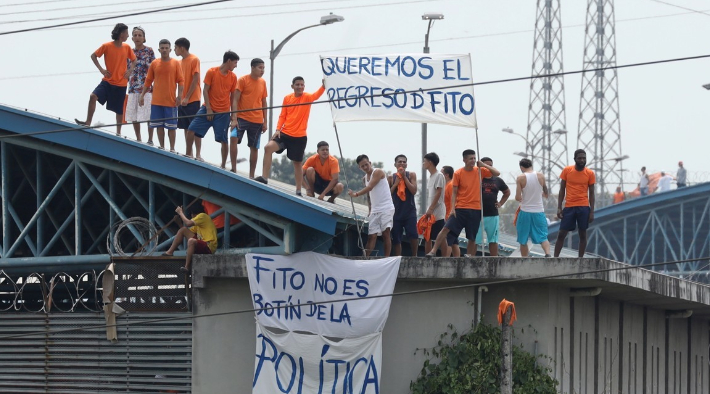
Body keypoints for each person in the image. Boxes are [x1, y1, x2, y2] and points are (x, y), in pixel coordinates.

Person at [255, 76, 325, 192]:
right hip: (285, 133)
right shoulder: (287, 98)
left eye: (302, 85)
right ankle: (264, 177)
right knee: (268, 148)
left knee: (297, 163)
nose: (300, 87)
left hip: (299, 137)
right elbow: (283, 115)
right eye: (297, 85)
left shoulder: (307, 97)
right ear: (292, 86)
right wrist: (278, 129)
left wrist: (323, 86)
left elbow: (316, 95)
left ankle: (298, 190)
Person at [426, 149, 500, 257]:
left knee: (472, 236)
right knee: (445, 229)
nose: (473, 160)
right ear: (464, 160)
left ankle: (469, 255)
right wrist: (452, 209)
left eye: (474, 158)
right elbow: (454, 192)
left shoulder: (480, 171)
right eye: (470, 158)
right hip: (460, 208)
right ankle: (433, 251)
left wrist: (483, 164)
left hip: (475, 209)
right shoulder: (458, 173)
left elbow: (497, 173)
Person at [76, 23, 137, 135]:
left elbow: (134, 60)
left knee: (119, 110)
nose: (128, 36)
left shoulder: (127, 47)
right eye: (127, 33)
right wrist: (101, 70)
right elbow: (93, 56)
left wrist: (130, 70)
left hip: (121, 83)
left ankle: (118, 133)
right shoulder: (107, 46)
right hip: (108, 81)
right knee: (93, 96)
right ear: (121, 34)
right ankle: (88, 122)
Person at [186, 51, 239, 169]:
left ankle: (224, 165)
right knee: (191, 130)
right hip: (207, 108)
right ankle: (188, 154)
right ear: (229, 61)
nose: (236, 66)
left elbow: (233, 97)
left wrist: (233, 116)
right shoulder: (212, 72)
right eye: (235, 63)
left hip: (223, 112)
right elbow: (205, 90)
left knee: (223, 139)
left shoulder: (233, 77)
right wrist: (209, 109)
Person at [139, 39, 184, 152]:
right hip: (157, 101)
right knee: (159, 126)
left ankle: (172, 148)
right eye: (162, 48)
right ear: (159, 50)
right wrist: (142, 95)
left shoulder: (175, 63)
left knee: (171, 127)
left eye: (166, 48)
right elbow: (148, 80)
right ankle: (162, 147)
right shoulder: (154, 63)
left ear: (170, 50)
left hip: (171, 101)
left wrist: (180, 96)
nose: (164, 50)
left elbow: (181, 81)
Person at [347, 155, 395, 257]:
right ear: (360, 168)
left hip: (386, 207)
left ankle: (386, 258)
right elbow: (369, 195)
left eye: (366, 164)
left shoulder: (378, 172)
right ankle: (366, 256)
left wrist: (355, 194)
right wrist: (370, 209)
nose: (365, 167)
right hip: (375, 209)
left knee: (386, 233)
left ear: (370, 163)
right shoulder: (364, 179)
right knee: (371, 236)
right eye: (362, 166)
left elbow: (370, 187)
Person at [554, 149, 596, 257]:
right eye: (580, 158)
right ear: (575, 159)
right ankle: (555, 258)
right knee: (562, 233)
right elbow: (562, 189)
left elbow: (591, 193)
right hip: (569, 206)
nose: (582, 160)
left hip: (583, 207)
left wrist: (592, 211)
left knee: (583, 233)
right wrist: (559, 207)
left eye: (584, 158)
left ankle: (580, 259)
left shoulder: (590, 173)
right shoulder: (567, 171)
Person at [230, 58, 267, 176]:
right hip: (241, 117)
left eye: (263, 68)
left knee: (254, 147)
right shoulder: (243, 80)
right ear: (252, 68)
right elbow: (235, 99)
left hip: (257, 120)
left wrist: (265, 121)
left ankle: (251, 175)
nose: (262, 70)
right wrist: (234, 118)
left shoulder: (263, 82)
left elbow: (264, 102)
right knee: (233, 137)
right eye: (260, 67)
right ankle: (233, 168)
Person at [163, 203, 217, 271]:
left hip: (209, 246)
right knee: (183, 230)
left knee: (191, 241)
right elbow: (185, 231)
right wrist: (179, 223)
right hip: (203, 244)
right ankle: (170, 252)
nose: (191, 216)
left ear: (194, 213)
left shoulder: (203, 216)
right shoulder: (199, 223)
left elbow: (188, 223)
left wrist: (180, 213)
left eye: (191, 214)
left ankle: (187, 267)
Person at [474, 157, 510, 256]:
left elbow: (507, 192)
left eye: (490, 165)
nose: (488, 167)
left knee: (493, 240)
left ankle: (494, 259)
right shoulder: (476, 178)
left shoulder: (497, 180)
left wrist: (500, 203)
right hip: (477, 214)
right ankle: (471, 259)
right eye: (486, 165)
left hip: (492, 214)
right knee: (474, 240)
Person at [515, 158, 551, 257]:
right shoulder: (541, 176)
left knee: (523, 238)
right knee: (543, 236)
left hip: (525, 211)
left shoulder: (520, 178)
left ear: (521, 167)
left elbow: (518, 197)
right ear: (531, 165)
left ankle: (525, 259)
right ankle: (547, 254)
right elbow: (546, 193)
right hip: (539, 211)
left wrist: (523, 197)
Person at [124, 27, 155, 142]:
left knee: (148, 114)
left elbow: (155, 68)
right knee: (134, 115)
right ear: (132, 38)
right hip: (132, 87)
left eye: (139, 35)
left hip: (146, 87)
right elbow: (126, 69)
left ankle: (150, 139)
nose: (137, 37)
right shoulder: (129, 52)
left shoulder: (149, 51)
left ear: (144, 38)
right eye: (135, 35)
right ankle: (138, 138)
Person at [174, 37, 202, 160]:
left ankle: (198, 154)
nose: (174, 50)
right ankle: (188, 153)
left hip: (193, 99)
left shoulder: (194, 59)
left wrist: (187, 97)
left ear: (182, 48)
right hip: (182, 100)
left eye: (175, 47)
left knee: (195, 127)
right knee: (185, 127)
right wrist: (179, 97)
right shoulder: (179, 63)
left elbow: (195, 78)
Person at [388, 154, 419, 256]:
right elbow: (388, 194)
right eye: (399, 162)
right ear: (395, 164)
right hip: (396, 211)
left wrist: (404, 178)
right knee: (396, 237)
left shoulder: (411, 175)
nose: (402, 163)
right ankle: (398, 257)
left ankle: (415, 256)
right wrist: (396, 184)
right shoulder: (390, 177)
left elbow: (414, 191)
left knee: (413, 234)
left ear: (406, 164)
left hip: (409, 211)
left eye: (404, 162)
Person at [422, 153, 447, 256]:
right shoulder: (431, 176)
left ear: (430, 162)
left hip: (438, 212)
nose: (423, 163)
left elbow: (438, 192)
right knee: (428, 236)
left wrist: (431, 209)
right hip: (431, 211)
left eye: (424, 161)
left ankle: (446, 259)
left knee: (440, 237)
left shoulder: (439, 175)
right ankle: (428, 257)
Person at [441, 166, 460, 257]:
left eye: (441, 173)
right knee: (454, 241)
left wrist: (450, 215)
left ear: (446, 175)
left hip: (450, 216)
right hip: (448, 215)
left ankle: (445, 260)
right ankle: (458, 261)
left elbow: (454, 200)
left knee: (448, 240)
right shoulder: (446, 185)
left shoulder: (450, 185)